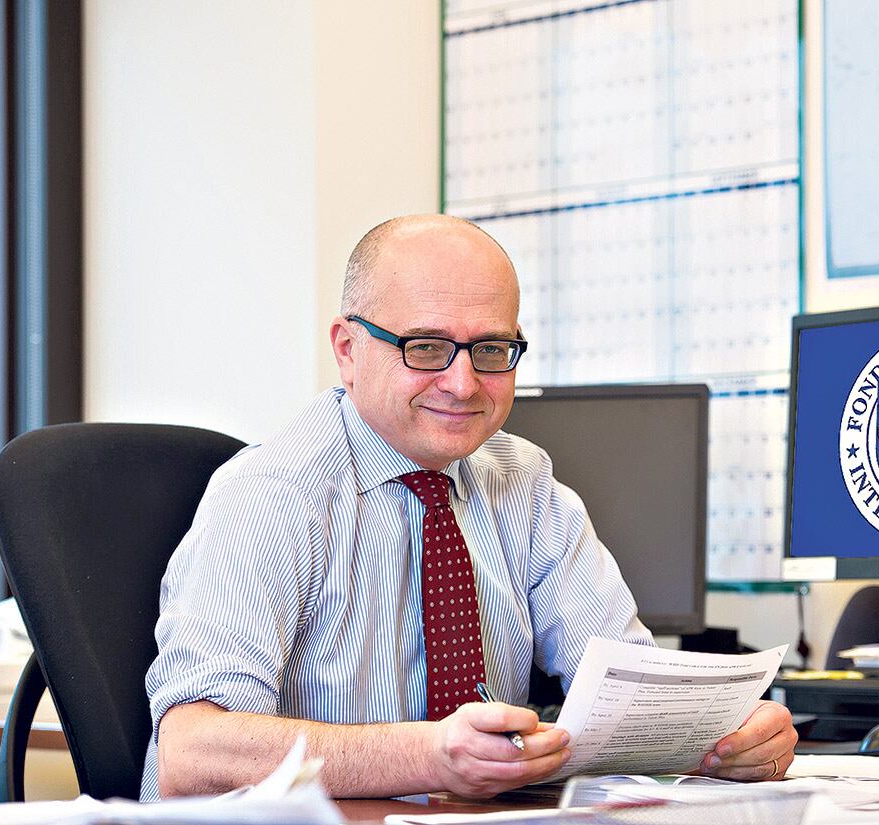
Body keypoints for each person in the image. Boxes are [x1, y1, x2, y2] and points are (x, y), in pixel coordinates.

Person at [142, 214, 797, 801]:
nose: (462, 383)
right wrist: (427, 755)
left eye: (490, 350)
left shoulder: (525, 484)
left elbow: (635, 694)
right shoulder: (272, 495)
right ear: (347, 349)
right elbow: (191, 752)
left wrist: (726, 734)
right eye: (425, 347)